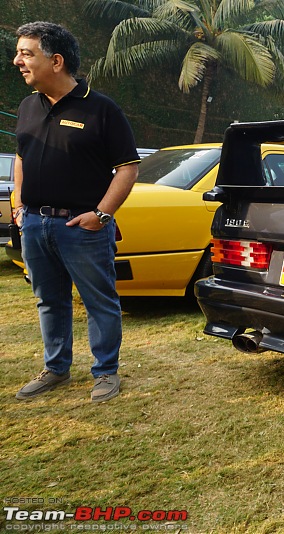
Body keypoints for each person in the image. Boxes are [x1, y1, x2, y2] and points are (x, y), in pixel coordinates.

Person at [12, 22, 140, 402]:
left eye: (26, 53)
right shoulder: (27, 106)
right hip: (35, 224)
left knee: (98, 299)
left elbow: (128, 167)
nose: (18, 60)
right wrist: (20, 207)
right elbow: (21, 156)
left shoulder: (101, 109)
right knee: (48, 300)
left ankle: (105, 372)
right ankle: (56, 368)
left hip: (81, 226)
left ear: (56, 60)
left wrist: (100, 214)